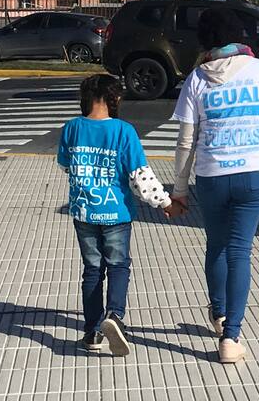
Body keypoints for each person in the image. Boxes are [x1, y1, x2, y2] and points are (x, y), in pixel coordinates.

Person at [172, 8, 259, 364]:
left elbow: (185, 141)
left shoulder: (197, 78)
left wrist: (179, 187)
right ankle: (231, 336)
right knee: (240, 251)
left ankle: (219, 312)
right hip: (254, 173)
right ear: (241, 36)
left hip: (211, 175)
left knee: (216, 245)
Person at [57, 74, 179, 356]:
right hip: (116, 211)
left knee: (92, 270)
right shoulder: (124, 132)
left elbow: (65, 165)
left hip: (84, 211)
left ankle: (92, 332)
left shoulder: (72, 128)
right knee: (118, 264)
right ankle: (114, 315)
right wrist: (165, 203)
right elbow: (140, 177)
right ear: (116, 99)